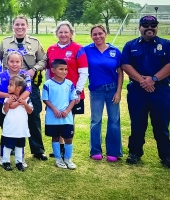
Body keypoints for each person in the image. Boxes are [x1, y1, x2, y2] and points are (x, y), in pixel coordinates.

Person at [0, 15, 48, 161]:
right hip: (9, 87)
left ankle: (37, 149)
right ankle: (10, 146)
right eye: (17, 25)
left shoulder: (35, 43)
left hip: (27, 85)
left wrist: (34, 69)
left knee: (33, 115)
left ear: (27, 26)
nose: (20, 27)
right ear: (13, 26)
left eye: (23, 25)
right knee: (7, 114)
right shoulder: (5, 42)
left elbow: (44, 59)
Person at [121, 15, 170, 167]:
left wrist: (153, 79)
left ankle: (166, 156)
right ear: (139, 28)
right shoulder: (130, 45)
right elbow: (125, 64)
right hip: (137, 91)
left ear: (157, 27)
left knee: (161, 125)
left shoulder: (166, 44)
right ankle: (135, 153)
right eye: (146, 25)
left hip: (160, 91)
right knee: (137, 124)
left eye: (153, 25)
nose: (149, 28)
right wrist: (143, 81)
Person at [45, 21, 88, 158]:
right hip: (55, 93)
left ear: (71, 33)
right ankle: (59, 148)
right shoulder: (51, 49)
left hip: (71, 93)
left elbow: (84, 72)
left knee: (68, 121)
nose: (63, 34)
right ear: (56, 33)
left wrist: (77, 91)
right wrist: (49, 88)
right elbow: (47, 71)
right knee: (56, 120)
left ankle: (66, 148)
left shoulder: (78, 48)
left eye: (66, 32)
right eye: (60, 32)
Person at [84, 24, 123, 162]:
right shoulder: (86, 50)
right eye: (94, 34)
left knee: (114, 120)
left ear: (105, 33)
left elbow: (120, 72)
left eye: (100, 33)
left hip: (112, 89)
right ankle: (95, 150)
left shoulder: (115, 51)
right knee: (96, 120)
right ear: (91, 36)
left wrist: (118, 92)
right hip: (96, 90)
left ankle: (113, 151)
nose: (98, 36)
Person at [0, 51, 32, 167]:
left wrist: (17, 102)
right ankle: (3, 157)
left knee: (20, 132)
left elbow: (28, 90)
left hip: (20, 108)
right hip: (6, 107)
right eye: (12, 61)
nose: (14, 64)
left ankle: (20, 159)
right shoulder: (1, 75)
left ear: (21, 63)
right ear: (6, 62)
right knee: (6, 132)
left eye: (17, 61)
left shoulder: (25, 75)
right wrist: (10, 97)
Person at [43, 59, 79, 170]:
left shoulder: (69, 84)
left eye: (66, 69)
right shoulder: (48, 84)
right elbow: (45, 99)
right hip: (53, 117)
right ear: (53, 70)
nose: (64, 72)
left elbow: (73, 99)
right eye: (61, 69)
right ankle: (58, 159)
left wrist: (67, 111)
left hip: (66, 118)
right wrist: (54, 110)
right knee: (55, 137)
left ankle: (68, 159)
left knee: (69, 138)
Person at [0, 75, 33, 172]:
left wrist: (25, 104)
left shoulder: (27, 99)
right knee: (8, 145)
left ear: (18, 88)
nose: (8, 87)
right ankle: (5, 161)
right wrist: (8, 103)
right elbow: (4, 111)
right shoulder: (8, 98)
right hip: (10, 127)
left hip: (21, 127)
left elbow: (30, 111)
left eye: (10, 85)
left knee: (19, 145)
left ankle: (19, 162)